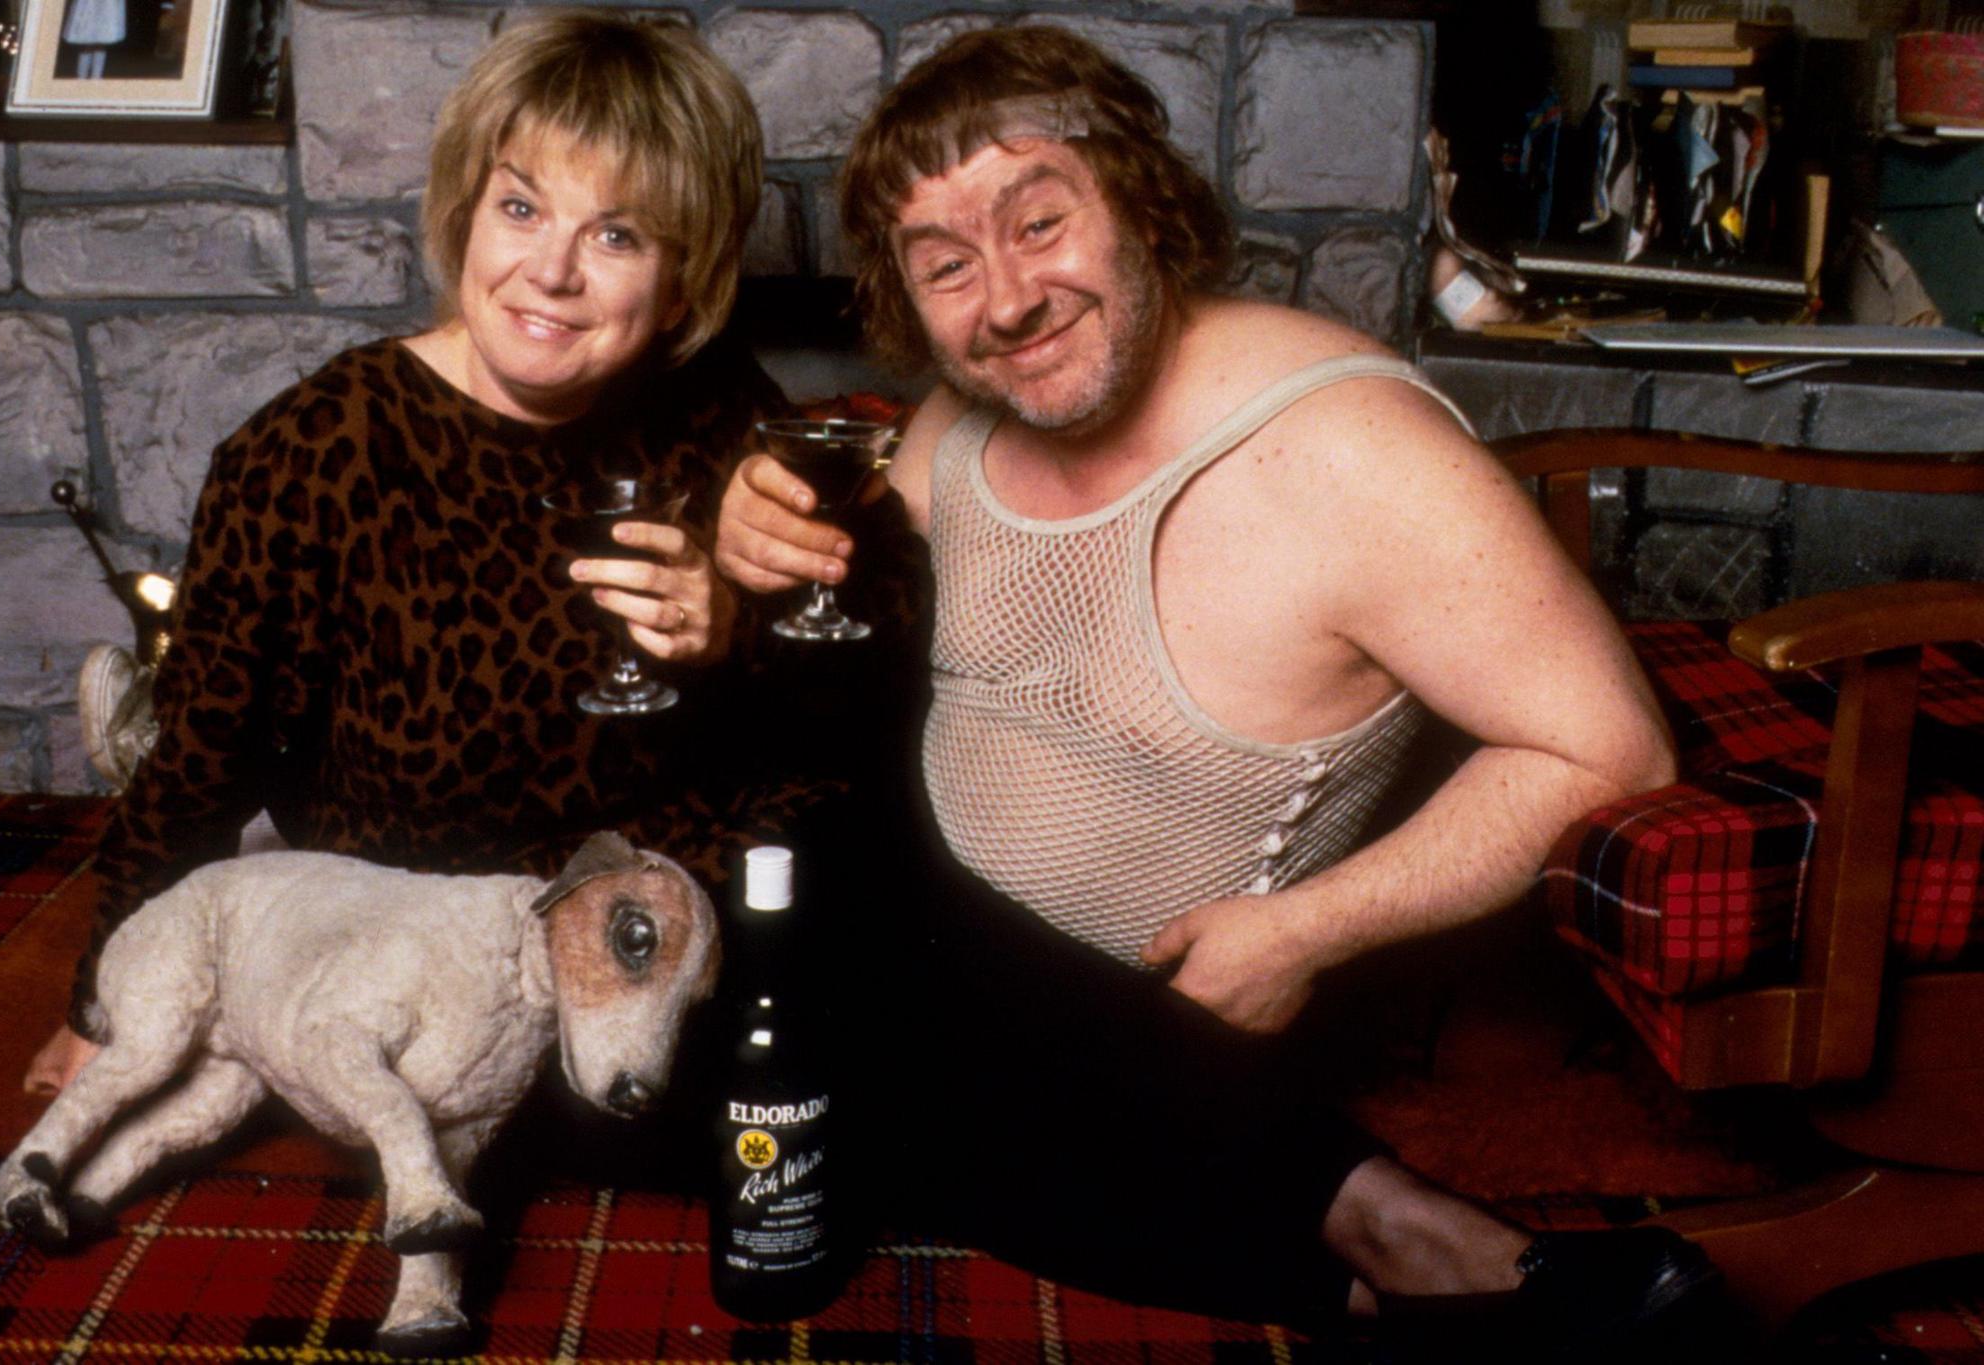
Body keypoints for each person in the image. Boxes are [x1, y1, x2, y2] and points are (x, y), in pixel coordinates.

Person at [714, 26, 1717, 1358]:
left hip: (1189, 1032)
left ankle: (1419, 1245)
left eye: (1040, 221)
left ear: (1137, 195)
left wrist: (1307, 930)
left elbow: (1610, 749)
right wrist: (744, 531)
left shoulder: (1351, 451)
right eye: (947, 266)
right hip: (955, 982)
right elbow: (834, 637)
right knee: (814, 937)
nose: (1004, 299)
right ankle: (1416, 1284)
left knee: (823, 1030)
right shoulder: (953, 430)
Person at [27, 11, 792, 1096]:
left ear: (683, 278)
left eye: (617, 236)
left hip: (629, 916)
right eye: (520, 207)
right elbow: (204, 758)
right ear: (465, 211)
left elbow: (836, 673)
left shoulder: (717, 416)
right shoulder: (307, 449)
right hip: (399, 933)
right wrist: (101, 998)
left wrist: (733, 634)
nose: (552, 271)